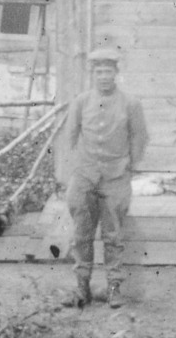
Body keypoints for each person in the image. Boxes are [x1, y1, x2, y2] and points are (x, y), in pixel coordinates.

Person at [64, 47, 149, 308]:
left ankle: (114, 289)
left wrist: (130, 167)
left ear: (116, 73)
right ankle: (82, 289)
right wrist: (71, 171)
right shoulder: (80, 102)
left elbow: (140, 137)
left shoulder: (130, 104)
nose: (104, 77)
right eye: (99, 72)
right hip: (85, 176)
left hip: (115, 178)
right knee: (82, 235)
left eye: (108, 71)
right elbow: (69, 137)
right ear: (93, 74)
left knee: (113, 237)